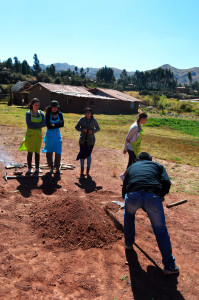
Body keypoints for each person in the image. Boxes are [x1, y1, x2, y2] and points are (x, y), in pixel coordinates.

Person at [122, 152, 179, 275]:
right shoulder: (157, 166)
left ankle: (128, 244)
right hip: (153, 196)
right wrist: (161, 195)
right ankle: (169, 266)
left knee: (129, 216)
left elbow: (125, 185)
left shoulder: (132, 166)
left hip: (133, 195)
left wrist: (125, 198)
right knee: (160, 229)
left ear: (138, 160)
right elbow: (167, 182)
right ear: (150, 160)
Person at [19, 98, 46, 173]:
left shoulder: (41, 113)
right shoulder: (28, 113)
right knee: (30, 151)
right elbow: (29, 125)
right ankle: (29, 168)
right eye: (36, 105)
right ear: (32, 105)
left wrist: (36, 125)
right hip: (30, 135)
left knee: (37, 151)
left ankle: (37, 168)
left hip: (38, 136)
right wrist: (39, 125)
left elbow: (45, 123)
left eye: (38, 105)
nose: (37, 106)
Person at [120, 112, 148, 181]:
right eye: (145, 119)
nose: (146, 121)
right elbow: (127, 138)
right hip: (131, 148)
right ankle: (131, 177)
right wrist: (125, 148)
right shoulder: (135, 127)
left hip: (134, 148)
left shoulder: (139, 126)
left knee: (131, 163)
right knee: (136, 163)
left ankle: (124, 176)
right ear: (142, 119)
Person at [75, 107, 100, 176]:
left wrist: (92, 131)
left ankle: (88, 170)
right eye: (86, 112)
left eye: (89, 112)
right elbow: (76, 127)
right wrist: (82, 129)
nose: (87, 114)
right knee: (82, 154)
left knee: (89, 154)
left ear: (91, 114)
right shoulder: (82, 119)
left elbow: (98, 128)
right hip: (82, 140)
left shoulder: (94, 120)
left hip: (91, 141)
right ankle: (82, 169)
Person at [42, 100, 64, 174]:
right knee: (49, 151)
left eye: (56, 107)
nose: (55, 109)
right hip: (50, 135)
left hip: (58, 136)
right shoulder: (48, 114)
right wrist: (57, 124)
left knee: (58, 152)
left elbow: (62, 124)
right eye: (53, 107)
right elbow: (48, 126)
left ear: (58, 108)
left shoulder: (60, 114)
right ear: (51, 107)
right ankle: (51, 167)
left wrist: (54, 125)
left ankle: (57, 168)